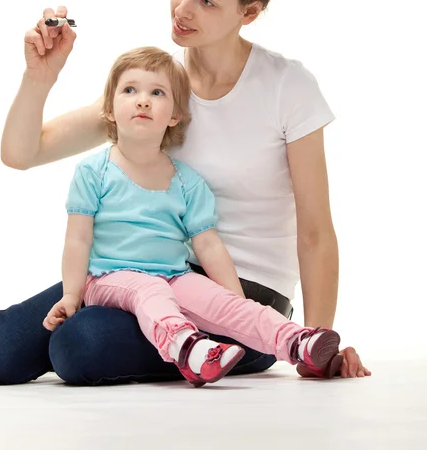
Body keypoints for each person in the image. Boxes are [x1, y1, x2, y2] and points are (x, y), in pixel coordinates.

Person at [0, 0, 371, 385]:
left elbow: (315, 232)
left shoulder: (286, 87)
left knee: (79, 346)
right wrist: (41, 78)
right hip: (138, 272)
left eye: (206, 1)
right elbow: (21, 153)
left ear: (248, 12)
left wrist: (317, 342)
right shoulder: (156, 89)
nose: (182, 9)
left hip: (243, 296)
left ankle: (257, 342)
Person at [42, 46, 346, 387]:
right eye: (129, 91)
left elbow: (210, 246)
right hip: (110, 277)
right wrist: (71, 295)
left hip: (174, 273)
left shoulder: (186, 180)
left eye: (156, 93)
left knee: (214, 300)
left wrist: (234, 301)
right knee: (149, 292)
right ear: (109, 109)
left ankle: (298, 342)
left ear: (174, 114)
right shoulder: (92, 171)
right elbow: (77, 239)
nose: (142, 100)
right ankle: (185, 346)